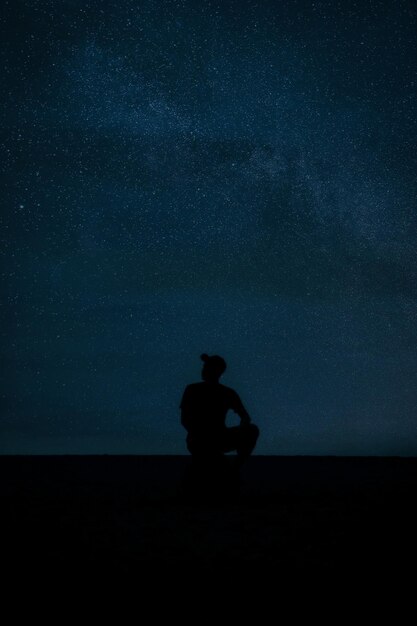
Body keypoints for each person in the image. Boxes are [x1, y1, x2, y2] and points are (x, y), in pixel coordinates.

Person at [180, 353, 259, 466]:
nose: (203, 370)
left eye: (206, 367)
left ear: (215, 371)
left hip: (215, 438)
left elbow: (245, 417)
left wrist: (242, 428)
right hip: (199, 440)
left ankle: (235, 468)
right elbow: (185, 420)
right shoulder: (194, 389)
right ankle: (232, 468)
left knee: (252, 430)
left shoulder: (194, 389)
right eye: (204, 367)